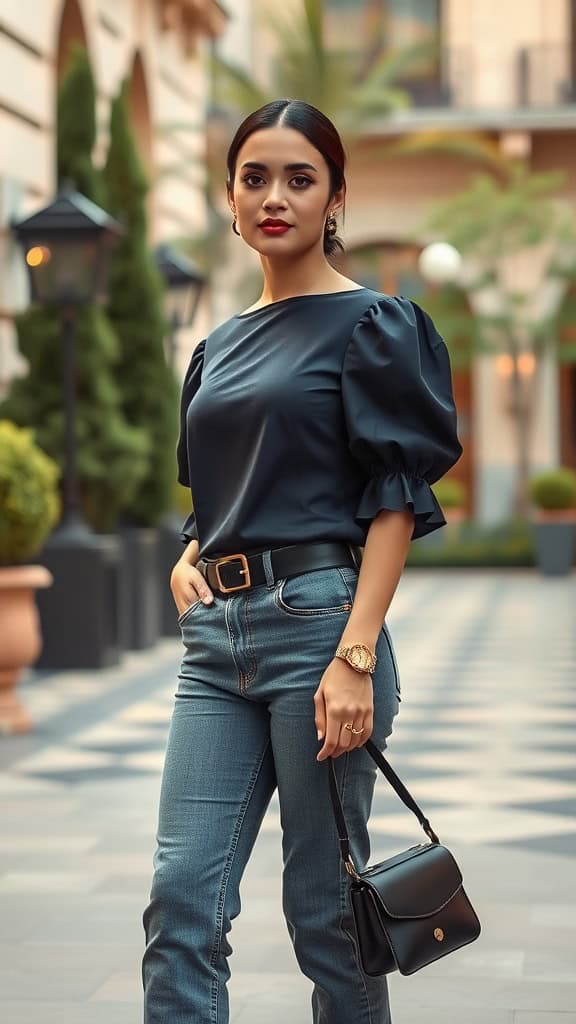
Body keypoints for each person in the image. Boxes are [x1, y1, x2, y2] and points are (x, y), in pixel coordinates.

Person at [142, 98, 462, 1024]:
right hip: (216, 644)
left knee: (325, 916)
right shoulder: (215, 345)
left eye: (299, 177)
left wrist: (356, 654)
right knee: (181, 902)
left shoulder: (374, 324)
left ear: (335, 199)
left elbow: (395, 499)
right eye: (254, 177)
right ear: (229, 199)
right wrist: (188, 556)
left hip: (322, 628)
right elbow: (216, 498)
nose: (273, 195)